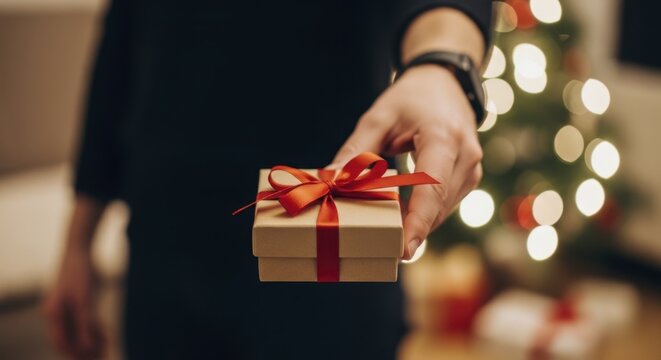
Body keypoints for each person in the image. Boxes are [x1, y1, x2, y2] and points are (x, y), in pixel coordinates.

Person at [43, 1, 491, 359]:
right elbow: (121, 50)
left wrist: (442, 64)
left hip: (329, 260)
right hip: (166, 244)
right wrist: (77, 242)